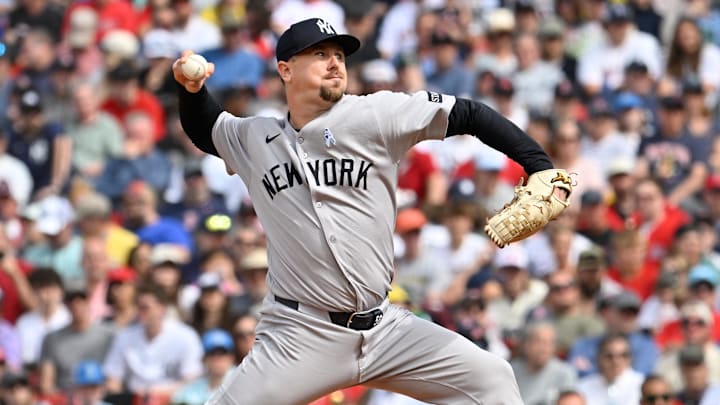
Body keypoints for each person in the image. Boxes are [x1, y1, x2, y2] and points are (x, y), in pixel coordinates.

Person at [173, 17, 570, 404]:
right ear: (286, 69)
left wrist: (537, 163)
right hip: (299, 333)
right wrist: (191, 91)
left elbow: (469, 113)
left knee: (492, 379)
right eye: (320, 54)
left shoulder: (375, 114)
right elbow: (208, 128)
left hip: (385, 329)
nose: (335, 63)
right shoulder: (255, 136)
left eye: (340, 56)